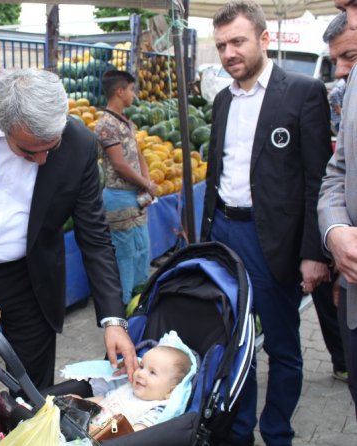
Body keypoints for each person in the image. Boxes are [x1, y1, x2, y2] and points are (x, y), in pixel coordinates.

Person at [0, 68, 137, 395]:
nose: (43, 160)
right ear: (4, 124)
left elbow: (95, 238)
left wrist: (113, 320)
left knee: (34, 394)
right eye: (30, 151)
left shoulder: (79, 145)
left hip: (31, 284)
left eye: (51, 147)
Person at [200, 1, 333, 444]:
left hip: (273, 241)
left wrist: (314, 254)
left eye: (237, 41)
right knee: (235, 344)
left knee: (281, 346)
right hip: (225, 234)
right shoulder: (222, 100)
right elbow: (217, 174)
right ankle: (239, 433)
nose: (229, 53)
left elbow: (318, 180)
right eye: (221, 45)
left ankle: (277, 432)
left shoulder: (302, 92)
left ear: (264, 39)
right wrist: (205, 236)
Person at [319, 0, 357, 420]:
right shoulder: (351, 92)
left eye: (350, 56)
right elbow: (337, 173)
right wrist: (335, 232)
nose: (342, 71)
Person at [95, 70, 157, 304]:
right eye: (131, 89)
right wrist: (146, 183)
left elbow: (138, 153)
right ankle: (122, 308)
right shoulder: (106, 124)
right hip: (119, 198)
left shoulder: (125, 121)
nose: (134, 94)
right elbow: (120, 165)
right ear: (120, 91)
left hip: (135, 197)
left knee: (141, 250)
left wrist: (147, 181)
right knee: (125, 255)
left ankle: (139, 302)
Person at [88, 345, 191, 432]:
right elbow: (104, 399)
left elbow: (131, 437)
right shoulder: (129, 387)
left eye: (152, 372)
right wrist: (78, 402)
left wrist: (97, 433)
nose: (141, 373)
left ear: (170, 391)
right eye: (141, 366)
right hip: (83, 423)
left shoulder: (155, 410)